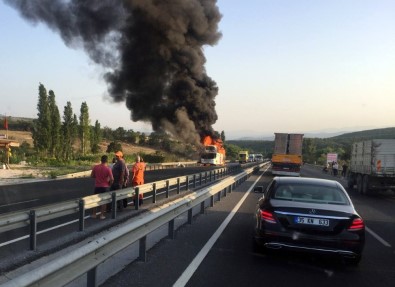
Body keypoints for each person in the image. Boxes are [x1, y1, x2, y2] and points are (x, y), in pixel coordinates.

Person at [91, 155, 114, 219]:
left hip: (97, 186)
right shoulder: (108, 169)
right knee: (104, 201)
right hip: (105, 186)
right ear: (107, 161)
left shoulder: (96, 167)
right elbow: (112, 179)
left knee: (95, 200)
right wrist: (110, 184)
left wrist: (98, 177)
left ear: (101, 160)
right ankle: (101, 215)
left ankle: (94, 214)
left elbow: (92, 176)